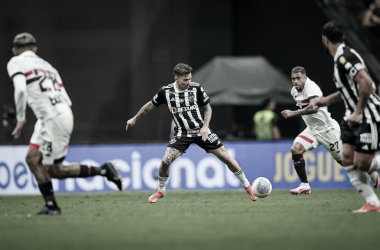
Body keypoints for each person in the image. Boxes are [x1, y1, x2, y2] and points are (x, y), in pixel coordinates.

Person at [7, 33, 122, 216]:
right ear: (35, 49)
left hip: (52, 118)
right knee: (32, 159)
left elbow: (20, 89)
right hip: (56, 115)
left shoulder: (16, 62)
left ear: (14, 51)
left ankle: (103, 170)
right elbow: (65, 98)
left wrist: (21, 118)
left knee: (55, 170)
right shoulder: (49, 66)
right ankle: (51, 206)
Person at [126, 63, 257, 203]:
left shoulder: (196, 88)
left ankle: (248, 188)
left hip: (201, 130)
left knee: (226, 158)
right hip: (182, 133)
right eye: (185, 80)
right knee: (165, 161)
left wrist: (205, 126)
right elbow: (150, 105)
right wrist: (135, 118)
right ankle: (161, 191)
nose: (188, 82)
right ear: (176, 78)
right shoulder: (166, 92)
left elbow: (208, 108)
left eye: (189, 78)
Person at [310, 21, 380, 212]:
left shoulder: (344, 57)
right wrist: (325, 101)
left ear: (325, 40)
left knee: (362, 163)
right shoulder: (340, 58)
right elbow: (349, 89)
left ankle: (372, 202)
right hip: (352, 115)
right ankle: (372, 203)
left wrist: (358, 111)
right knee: (347, 158)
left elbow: (366, 82)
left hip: (366, 114)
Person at [281, 66, 345, 195]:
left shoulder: (312, 87)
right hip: (312, 130)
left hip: (327, 130)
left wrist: (293, 113)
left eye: (298, 78)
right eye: (293, 78)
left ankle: (370, 168)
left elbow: (314, 108)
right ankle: (304, 185)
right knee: (296, 149)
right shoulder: (294, 91)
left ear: (305, 77)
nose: (295, 81)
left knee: (344, 161)